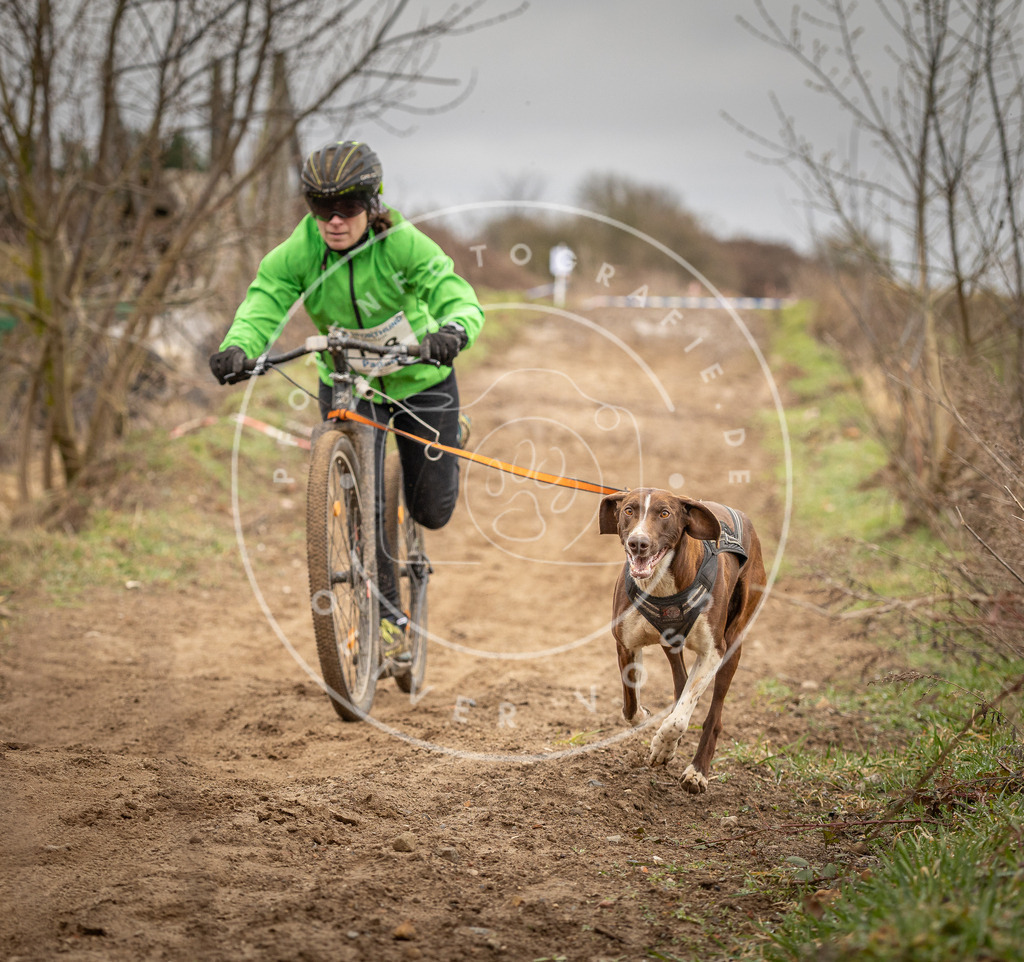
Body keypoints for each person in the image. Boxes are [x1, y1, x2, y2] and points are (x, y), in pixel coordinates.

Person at [210, 139, 484, 650]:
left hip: (421, 379)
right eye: (321, 208)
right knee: (366, 502)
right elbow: (264, 301)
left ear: (372, 202)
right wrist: (238, 347)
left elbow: (454, 293)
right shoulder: (300, 252)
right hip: (348, 382)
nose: (334, 220)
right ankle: (389, 617)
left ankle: (452, 438)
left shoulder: (402, 243)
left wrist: (454, 330)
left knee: (432, 511)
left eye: (349, 206)